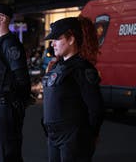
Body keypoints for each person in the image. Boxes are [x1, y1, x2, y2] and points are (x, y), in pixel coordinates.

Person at [42, 16, 104, 162]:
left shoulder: (83, 69)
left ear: (71, 40)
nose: (53, 44)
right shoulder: (57, 66)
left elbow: (96, 108)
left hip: (73, 138)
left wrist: (91, 135)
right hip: (54, 136)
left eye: (57, 39)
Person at [0, 2, 31, 162]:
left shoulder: (10, 44)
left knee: (8, 154)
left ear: (2, 18)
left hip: (5, 106)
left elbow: (22, 78)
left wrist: (17, 105)